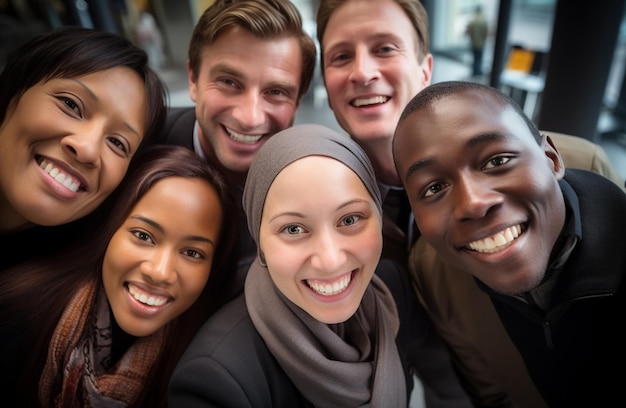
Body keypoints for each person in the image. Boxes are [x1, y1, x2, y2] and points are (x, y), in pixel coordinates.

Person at [317, 1, 624, 406]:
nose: (363, 72)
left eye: (385, 48)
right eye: (341, 56)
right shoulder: (325, 208)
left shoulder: (582, 164)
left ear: (425, 68)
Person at [168, 124, 469, 408]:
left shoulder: (392, 289)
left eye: (350, 220)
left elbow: (448, 384)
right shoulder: (216, 379)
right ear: (259, 242)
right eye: (294, 229)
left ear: (379, 217)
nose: (330, 260)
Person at [393, 80, 626, 408]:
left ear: (551, 159)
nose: (473, 203)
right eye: (433, 188)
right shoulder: (436, 277)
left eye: (496, 161)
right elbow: (492, 395)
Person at [0, 144, 238, 407]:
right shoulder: (17, 318)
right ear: (109, 229)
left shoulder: (206, 365)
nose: (160, 272)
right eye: (143, 236)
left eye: (192, 253)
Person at [159, 0, 317, 290]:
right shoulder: (139, 145)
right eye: (229, 82)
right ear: (193, 78)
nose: (249, 118)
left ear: (297, 101)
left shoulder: (314, 187)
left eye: (275, 92)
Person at [0, 26, 167, 269]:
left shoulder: (77, 288)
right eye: (71, 104)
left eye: (118, 143)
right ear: (12, 94)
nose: (88, 149)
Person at [465, 5, 488, 77]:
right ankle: (478, 72)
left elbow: (468, 31)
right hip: (481, 43)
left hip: (473, 43)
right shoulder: (483, 21)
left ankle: (475, 71)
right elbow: (486, 32)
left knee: (475, 58)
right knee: (479, 58)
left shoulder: (473, 21)